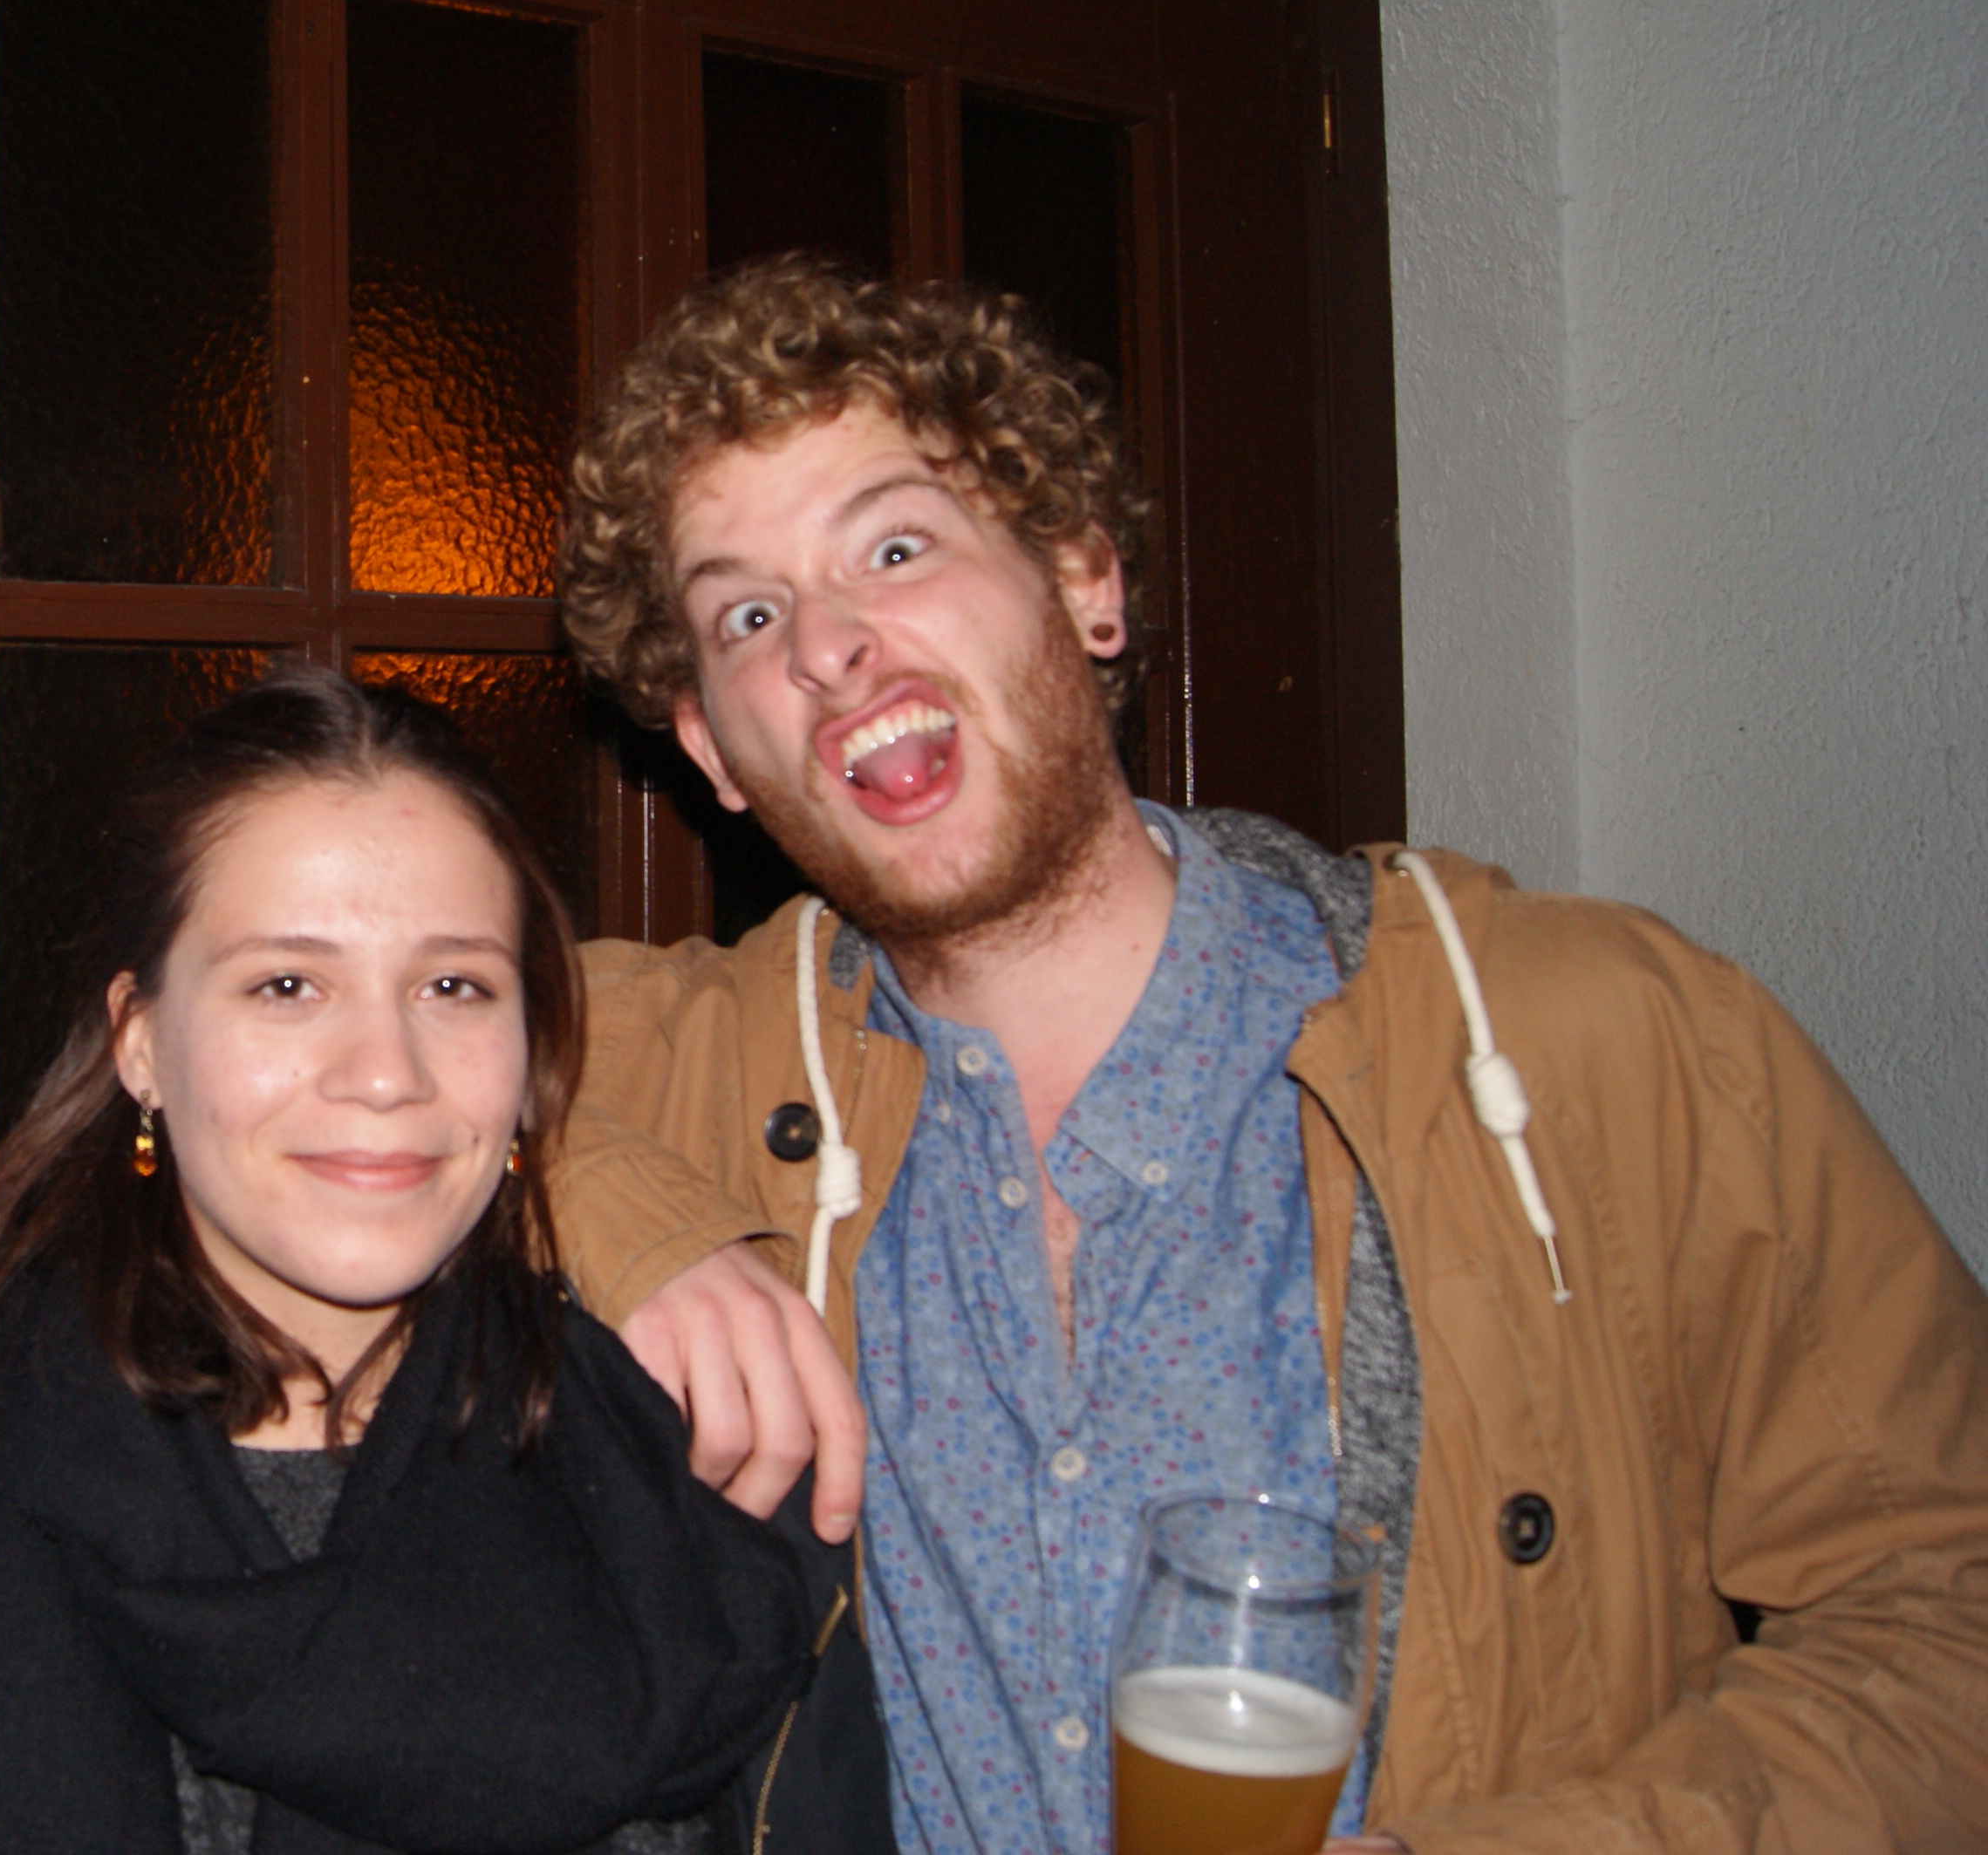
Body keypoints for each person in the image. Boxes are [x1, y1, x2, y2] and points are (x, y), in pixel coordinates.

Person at [546, 255, 1988, 1853]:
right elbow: (338, 1055)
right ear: (713, 748)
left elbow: (1946, 1611)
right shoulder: (676, 1061)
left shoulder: (1606, 1039)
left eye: (895, 546)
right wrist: (638, 1222)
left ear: (1085, 582)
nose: (827, 645)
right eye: (749, 614)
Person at [0, 667, 886, 1855]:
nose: (384, 1071)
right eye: (288, 985)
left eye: (453, 985)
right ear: (141, 1043)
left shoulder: (710, 1469)